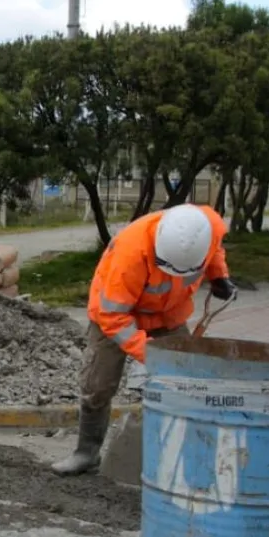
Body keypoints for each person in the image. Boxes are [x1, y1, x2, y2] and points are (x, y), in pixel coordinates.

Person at [52, 202, 237, 476]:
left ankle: (181, 459)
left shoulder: (207, 227)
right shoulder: (130, 252)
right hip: (114, 316)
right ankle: (86, 453)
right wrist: (150, 354)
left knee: (185, 380)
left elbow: (216, 249)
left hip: (168, 315)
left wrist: (218, 275)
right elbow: (113, 318)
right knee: (98, 385)